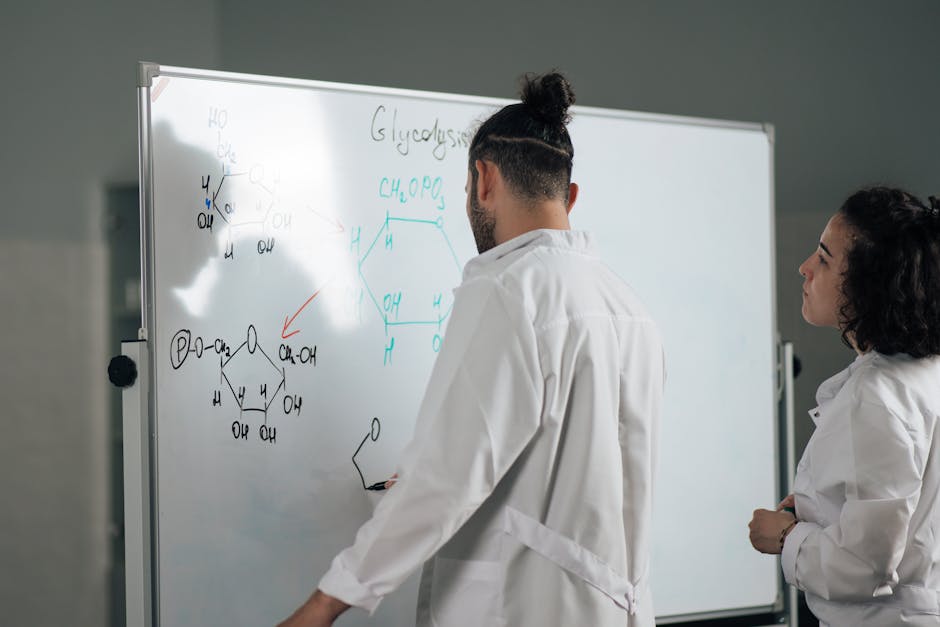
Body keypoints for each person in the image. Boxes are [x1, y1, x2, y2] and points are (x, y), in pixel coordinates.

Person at [278, 72, 665, 627]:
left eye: (465, 190)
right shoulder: (632, 310)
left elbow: (446, 477)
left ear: (483, 179)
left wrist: (323, 604)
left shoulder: (508, 290)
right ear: (570, 196)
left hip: (522, 610)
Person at [749, 187, 940, 626]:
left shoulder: (878, 396)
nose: (804, 268)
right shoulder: (921, 372)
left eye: (824, 258)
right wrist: (821, 508)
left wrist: (786, 537)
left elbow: (865, 567)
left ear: (867, 285)